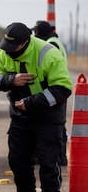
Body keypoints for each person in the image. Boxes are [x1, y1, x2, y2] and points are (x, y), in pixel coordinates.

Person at [0, 22, 72, 192]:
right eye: (7, 46)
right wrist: (11, 80)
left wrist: (31, 103)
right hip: (21, 119)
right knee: (18, 162)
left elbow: (63, 88)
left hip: (48, 119)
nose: (9, 51)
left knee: (49, 165)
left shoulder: (48, 54)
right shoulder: (5, 52)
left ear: (25, 43)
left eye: (13, 47)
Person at [32, 20, 69, 166]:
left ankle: (59, 158)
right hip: (57, 88)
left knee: (56, 124)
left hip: (55, 89)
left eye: (36, 32)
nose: (35, 35)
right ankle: (60, 157)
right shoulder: (55, 40)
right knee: (58, 124)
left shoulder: (51, 45)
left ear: (41, 32)